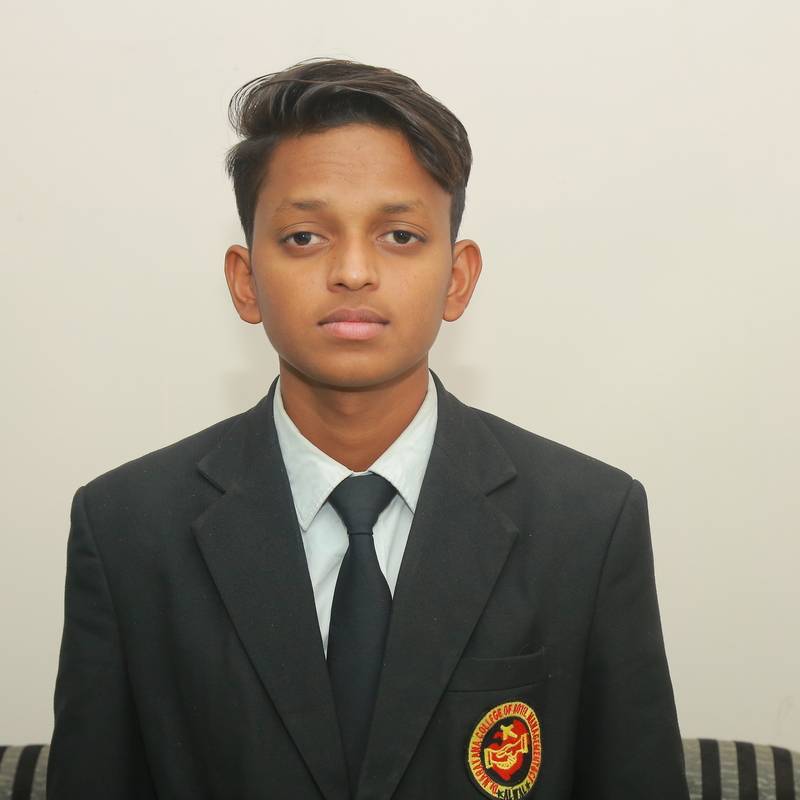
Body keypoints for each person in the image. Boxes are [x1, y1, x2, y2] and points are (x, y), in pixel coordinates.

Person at [47, 57, 689, 799]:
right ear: (245, 282)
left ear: (457, 278)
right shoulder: (126, 529)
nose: (353, 271)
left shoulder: (589, 521)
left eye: (400, 236)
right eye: (303, 237)